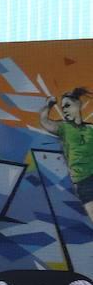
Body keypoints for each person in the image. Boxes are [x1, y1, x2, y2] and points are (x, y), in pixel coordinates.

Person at [40, 88, 93, 225]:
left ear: (79, 104)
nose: (64, 110)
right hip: (83, 181)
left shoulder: (91, 129)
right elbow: (45, 122)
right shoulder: (63, 127)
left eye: (67, 105)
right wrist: (48, 105)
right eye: (62, 107)